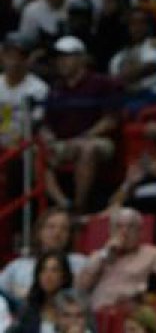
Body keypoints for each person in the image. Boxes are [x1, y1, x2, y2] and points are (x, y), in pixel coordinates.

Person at [40, 36, 120, 213]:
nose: (61, 62)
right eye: (59, 58)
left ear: (81, 58)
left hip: (97, 140)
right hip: (64, 143)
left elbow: (110, 120)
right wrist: (48, 138)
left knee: (87, 149)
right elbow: (46, 125)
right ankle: (63, 203)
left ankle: (79, 206)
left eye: (67, 57)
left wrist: (84, 137)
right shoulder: (56, 89)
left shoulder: (101, 83)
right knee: (35, 153)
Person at [75, 208, 156, 311]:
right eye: (118, 227)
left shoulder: (154, 254)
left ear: (141, 231)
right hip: (96, 313)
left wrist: (143, 294)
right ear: (110, 231)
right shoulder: (100, 255)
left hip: (131, 313)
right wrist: (105, 254)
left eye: (131, 227)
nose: (124, 232)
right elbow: (80, 288)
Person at [0, 208, 87, 304]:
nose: (57, 232)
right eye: (51, 227)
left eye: (64, 228)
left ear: (70, 235)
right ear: (39, 231)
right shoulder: (18, 265)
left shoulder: (79, 262)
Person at [0, 32, 48, 148]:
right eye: (10, 56)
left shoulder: (39, 88)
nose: (14, 62)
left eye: (20, 57)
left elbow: (36, 122)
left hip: (25, 143)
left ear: (28, 59)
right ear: (2, 56)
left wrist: (16, 139)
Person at [9, 252, 73, 333]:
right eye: (43, 270)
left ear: (64, 276)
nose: (48, 275)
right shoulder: (29, 311)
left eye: (54, 270)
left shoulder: (76, 308)